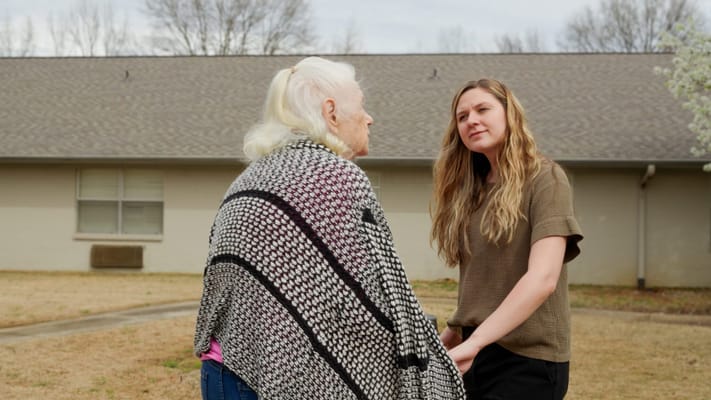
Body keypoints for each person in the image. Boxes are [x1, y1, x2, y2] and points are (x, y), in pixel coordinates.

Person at [194, 56, 465, 400]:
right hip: (279, 381)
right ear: (331, 112)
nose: (370, 118)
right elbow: (378, 295)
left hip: (223, 371)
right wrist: (430, 362)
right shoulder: (336, 178)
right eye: (362, 106)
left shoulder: (249, 178)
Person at [430, 78, 584, 400]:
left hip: (528, 359)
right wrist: (445, 343)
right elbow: (480, 291)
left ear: (509, 114)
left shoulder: (545, 179)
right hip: (475, 351)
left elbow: (542, 278)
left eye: (483, 109)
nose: (471, 120)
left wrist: (474, 343)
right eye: (462, 116)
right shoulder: (470, 191)